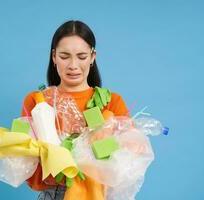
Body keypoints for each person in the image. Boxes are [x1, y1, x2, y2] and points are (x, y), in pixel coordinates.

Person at [22, 20, 129, 200]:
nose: (73, 65)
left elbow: (125, 164)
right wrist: (55, 164)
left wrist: (105, 138)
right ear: (54, 57)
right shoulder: (38, 102)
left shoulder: (111, 103)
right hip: (54, 194)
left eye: (81, 56)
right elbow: (27, 166)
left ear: (93, 56)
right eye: (65, 56)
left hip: (99, 194)